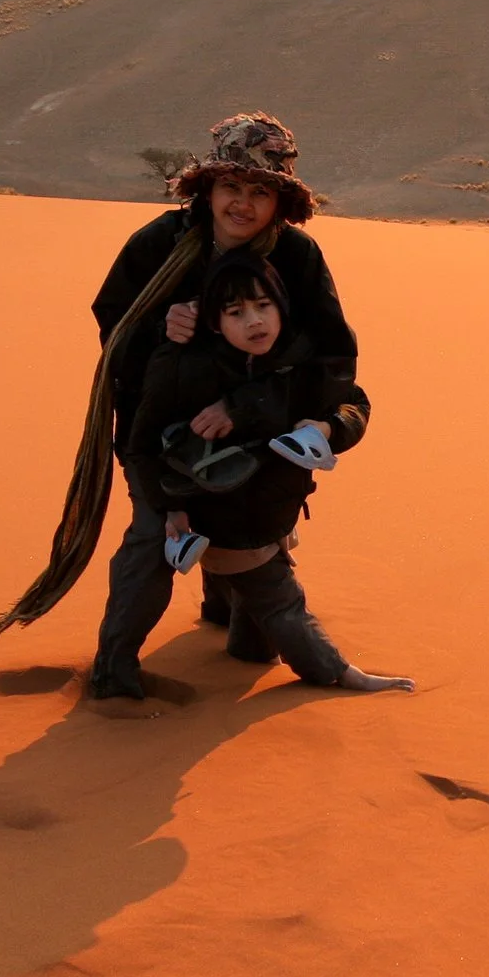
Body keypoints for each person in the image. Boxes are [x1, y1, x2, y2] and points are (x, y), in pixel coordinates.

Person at [82, 113, 359, 704]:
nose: (243, 203)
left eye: (261, 190)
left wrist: (248, 403)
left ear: (280, 201)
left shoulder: (296, 257)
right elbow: (113, 330)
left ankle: (225, 610)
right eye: (232, 186)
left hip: (257, 436)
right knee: (156, 538)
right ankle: (113, 674)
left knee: (253, 577)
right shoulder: (157, 244)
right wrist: (161, 328)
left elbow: (330, 355)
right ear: (206, 188)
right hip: (158, 435)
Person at [124, 255, 409, 695]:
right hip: (228, 519)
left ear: (281, 306)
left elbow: (354, 402)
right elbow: (142, 445)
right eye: (236, 313)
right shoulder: (183, 366)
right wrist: (170, 509)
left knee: (255, 646)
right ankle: (334, 672)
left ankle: (233, 627)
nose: (254, 321)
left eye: (263, 306)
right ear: (216, 324)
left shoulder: (300, 357)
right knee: (280, 603)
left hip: (274, 510)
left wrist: (330, 427)